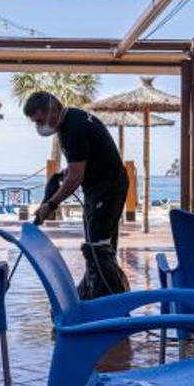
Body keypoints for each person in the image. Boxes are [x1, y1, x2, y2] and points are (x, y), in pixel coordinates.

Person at [23, 91, 130, 298]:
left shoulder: (73, 128)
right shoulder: (71, 121)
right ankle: (98, 292)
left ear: (53, 109)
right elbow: (80, 165)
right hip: (99, 188)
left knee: (98, 249)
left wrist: (51, 205)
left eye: (40, 120)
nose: (39, 126)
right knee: (100, 246)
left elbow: (75, 179)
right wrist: (64, 174)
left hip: (107, 190)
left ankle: (112, 297)